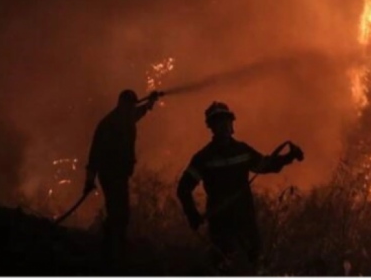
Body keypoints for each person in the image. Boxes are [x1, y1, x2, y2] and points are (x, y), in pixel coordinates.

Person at [177, 101, 303, 274]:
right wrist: (192, 215)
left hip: (245, 219)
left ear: (232, 124)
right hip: (221, 223)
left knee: (255, 263)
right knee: (223, 268)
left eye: (226, 120)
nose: (223, 125)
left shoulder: (242, 151)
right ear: (211, 127)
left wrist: (289, 157)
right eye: (218, 122)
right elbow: (183, 189)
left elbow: (265, 165)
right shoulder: (204, 158)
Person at [83, 89, 161, 264]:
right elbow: (94, 154)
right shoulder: (108, 125)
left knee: (121, 212)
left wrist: (151, 101)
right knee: (118, 211)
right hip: (110, 174)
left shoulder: (127, 118)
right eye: (129, 106)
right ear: (121, 104)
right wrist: (89, 179)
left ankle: (114, 246)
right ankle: (110, 250)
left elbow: (141, 111)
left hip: (120, 174)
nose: (131, 110)